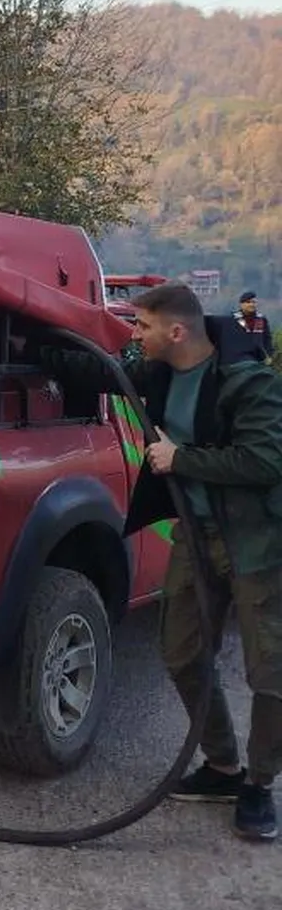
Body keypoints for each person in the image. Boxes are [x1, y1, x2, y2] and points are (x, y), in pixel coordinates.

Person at [124, 282, 282, 842]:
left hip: (255, 542)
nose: (134, 335)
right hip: (195, 538)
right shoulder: (161, 371)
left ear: (177, 330)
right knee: (183, 652)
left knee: (270, 673)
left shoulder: (249, 382)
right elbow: (92, 369)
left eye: (141, 326)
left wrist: (181, 458)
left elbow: (265, 460)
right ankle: (222, 766)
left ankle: (259, 786)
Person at [229, 290, 274, 362]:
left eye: (254, 302)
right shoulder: (233, 318)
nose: (251, 305)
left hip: (259, 357)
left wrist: (269, 355)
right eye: (248, 302)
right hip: (239, 357)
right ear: (241, 304)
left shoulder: (261, 318)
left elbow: (267, 338)